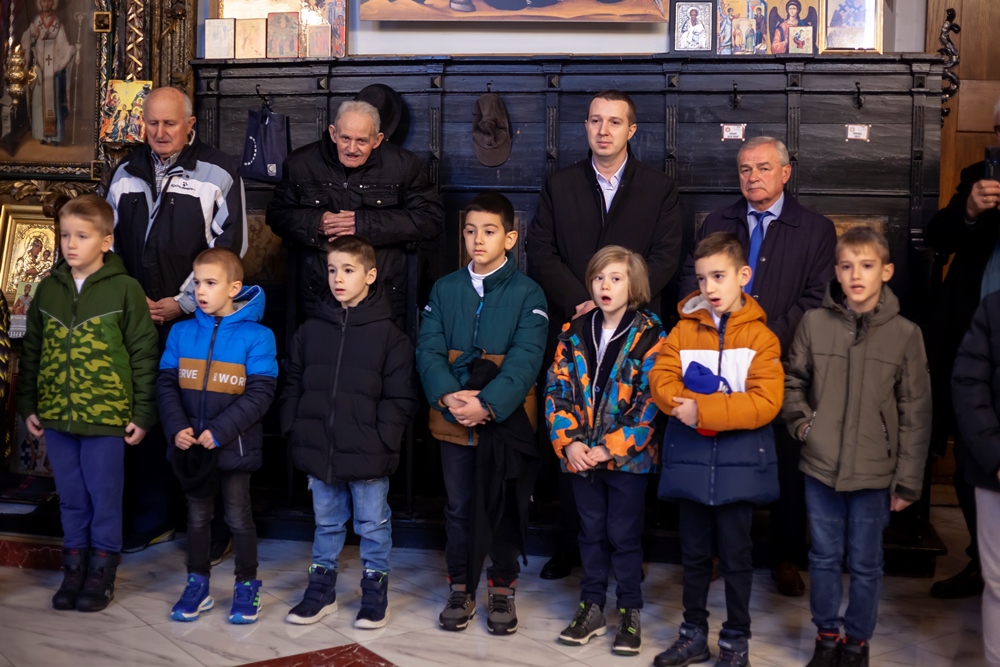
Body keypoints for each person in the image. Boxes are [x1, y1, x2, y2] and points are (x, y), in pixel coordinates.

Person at [527, 89, 681, 581]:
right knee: (572, 429)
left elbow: (666, 256)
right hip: (576, 328)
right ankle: (571, 545)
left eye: (614, 122)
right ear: (586, 127)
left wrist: (622, 300)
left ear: (631, 130)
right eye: (595, 120)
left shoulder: (658, 187)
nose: (604, 130)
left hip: (634, 334)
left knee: (626, 433)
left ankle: (626, 552)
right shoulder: (561, 184)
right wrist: (584, 300)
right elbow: (541, 249)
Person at [681, 135, 837, 597]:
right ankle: (715, 551)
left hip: (783, 359)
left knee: (786, 460)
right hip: (719, 356)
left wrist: (761, 340)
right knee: (721, 453)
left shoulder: (816, 228)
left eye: (764, 168)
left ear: (785, 173)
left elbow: (817, 299)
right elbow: (696, 283)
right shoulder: (718, 221)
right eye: (745, 169)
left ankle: (785, 556)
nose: (753, 177)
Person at [107, 85, 247, 554]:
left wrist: (182, 302)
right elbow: (109, 246)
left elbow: (230, 248)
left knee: (198, 417)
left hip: (198, 319)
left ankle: (209, 530)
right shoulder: (125, 172)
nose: (160, 131)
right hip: (137, 321)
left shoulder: (218, 171)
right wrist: (132, 301)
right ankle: (153, 520)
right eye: (152, 122)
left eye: (170, 123)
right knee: (146, 418)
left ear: (190, 125)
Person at [783, 227, 931, 667]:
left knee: (866, 563)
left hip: (874, 473)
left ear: (886, 271)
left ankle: (857, 643)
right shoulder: (814, 323)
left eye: (866, 266)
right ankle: (827, 637)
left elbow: (916, 411)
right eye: (847, 266)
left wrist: (907, 481)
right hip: (821, 467)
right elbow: (792, 383)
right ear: (836, 272)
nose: (855, 275)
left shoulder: (906, 334)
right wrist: (806, 428)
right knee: (823, 557)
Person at [15, 195, 159, 612]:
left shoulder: (125, 290)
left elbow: (144, 354)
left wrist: (142, 413)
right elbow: (33, 349)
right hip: (57, 418)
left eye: (82, 236)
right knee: (72, 497)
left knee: (104, 498)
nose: (71, 244)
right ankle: (74, 568)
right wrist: (28, 403)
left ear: (106, 241)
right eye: (65, 236)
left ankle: (101, 573)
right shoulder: (48, 289)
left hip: (106, 418)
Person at [417, 192, 548, 635]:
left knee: (505, 505)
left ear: (509, 238)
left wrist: (486, 404)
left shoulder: (528, 292)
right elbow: (429, 349)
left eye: (489, 231)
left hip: (506, 422)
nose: (478, 239)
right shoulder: (445, 288)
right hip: (453, 419)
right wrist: (451, 398)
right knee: (458, 508)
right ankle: (461, 585)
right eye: (470, 230)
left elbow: (526, 360)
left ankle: (502, 586)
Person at [649, 232, 782, 667]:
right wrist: (683, 404)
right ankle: (692, 634)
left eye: (719, 276)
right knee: (693, 555)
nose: (709, 287)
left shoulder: (761, 338)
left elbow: (766, 402)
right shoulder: (683, 330)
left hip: (738, 465)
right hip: (691, 461)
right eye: (702, 278)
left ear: (743, 276)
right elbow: (661, 379)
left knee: (737, 556)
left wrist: (702, 410)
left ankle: (736, 639)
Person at [280, 235, 418, 629]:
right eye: (332, 270)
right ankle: (321, 591)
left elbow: (400, 397)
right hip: (320, 447)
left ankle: (374, 591)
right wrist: (293, 426)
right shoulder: (312, 329)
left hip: (369, 450)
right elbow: (293, 381)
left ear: (370, 275)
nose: (338, 278)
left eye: (348, 270)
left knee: (372, 524)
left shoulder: (390, 336)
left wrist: (382, 439)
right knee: (326, 523)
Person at [546, 246, 665, 656]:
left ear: (634, 285)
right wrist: (571, 443)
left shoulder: (651, 335)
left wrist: (608, 449)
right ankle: (592, 607)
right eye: (598, 278)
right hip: (581, 457)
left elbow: (649, 403)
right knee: (591, 533)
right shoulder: (574, 331)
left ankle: (629, 610)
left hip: (628, 459)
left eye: (615, 278)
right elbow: (557, 388)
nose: (605, 286)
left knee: (624, 536)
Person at [157, 247, 278, 625]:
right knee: (197, 518)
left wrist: (220, 431)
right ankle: (198, 584)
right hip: (193, 448)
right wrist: (177, 428)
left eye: (210, 283)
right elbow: (166, 385)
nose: (200, 291)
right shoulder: (181, 332)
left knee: (239, 517)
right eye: (196, 283)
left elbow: (261, 394)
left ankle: (247, 585)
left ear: (234, 288)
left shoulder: (258, 336)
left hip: (233, 447)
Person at [266, 99, 444, 322]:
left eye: (361, 141)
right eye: (345, 138)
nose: (352, 149)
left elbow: (431, 218)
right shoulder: (300, 163)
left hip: (384, 294)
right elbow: (277, 214)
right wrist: (316, 222)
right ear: (333, 133)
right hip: (317, 292)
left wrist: (363, 224)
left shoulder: (404, 164)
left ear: (377, 139)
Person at [924, 97, 1000, 599]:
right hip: (977, 333)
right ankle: (981, 559)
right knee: (974, 445)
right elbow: (937, 237)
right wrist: (969, 211)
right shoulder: (979, 175)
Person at [951, 290, 1000, 667]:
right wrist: (995, 457)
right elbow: (969, 384)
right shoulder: (994, 308)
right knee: (999, 584)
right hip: (995, 471)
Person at [20, 0, 78, 145]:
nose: (46, 4)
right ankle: (42, 135)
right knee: (39, 101)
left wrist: (72, 50)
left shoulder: (57, 23)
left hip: (54, 70)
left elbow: (63, 44)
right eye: (43, 1)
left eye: (49, 1)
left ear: (53, 3)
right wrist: (32, 38)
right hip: (40, 68)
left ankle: (55, 137)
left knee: (55, 101)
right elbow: (27, 38)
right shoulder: (36, 22)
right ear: (40, 3)